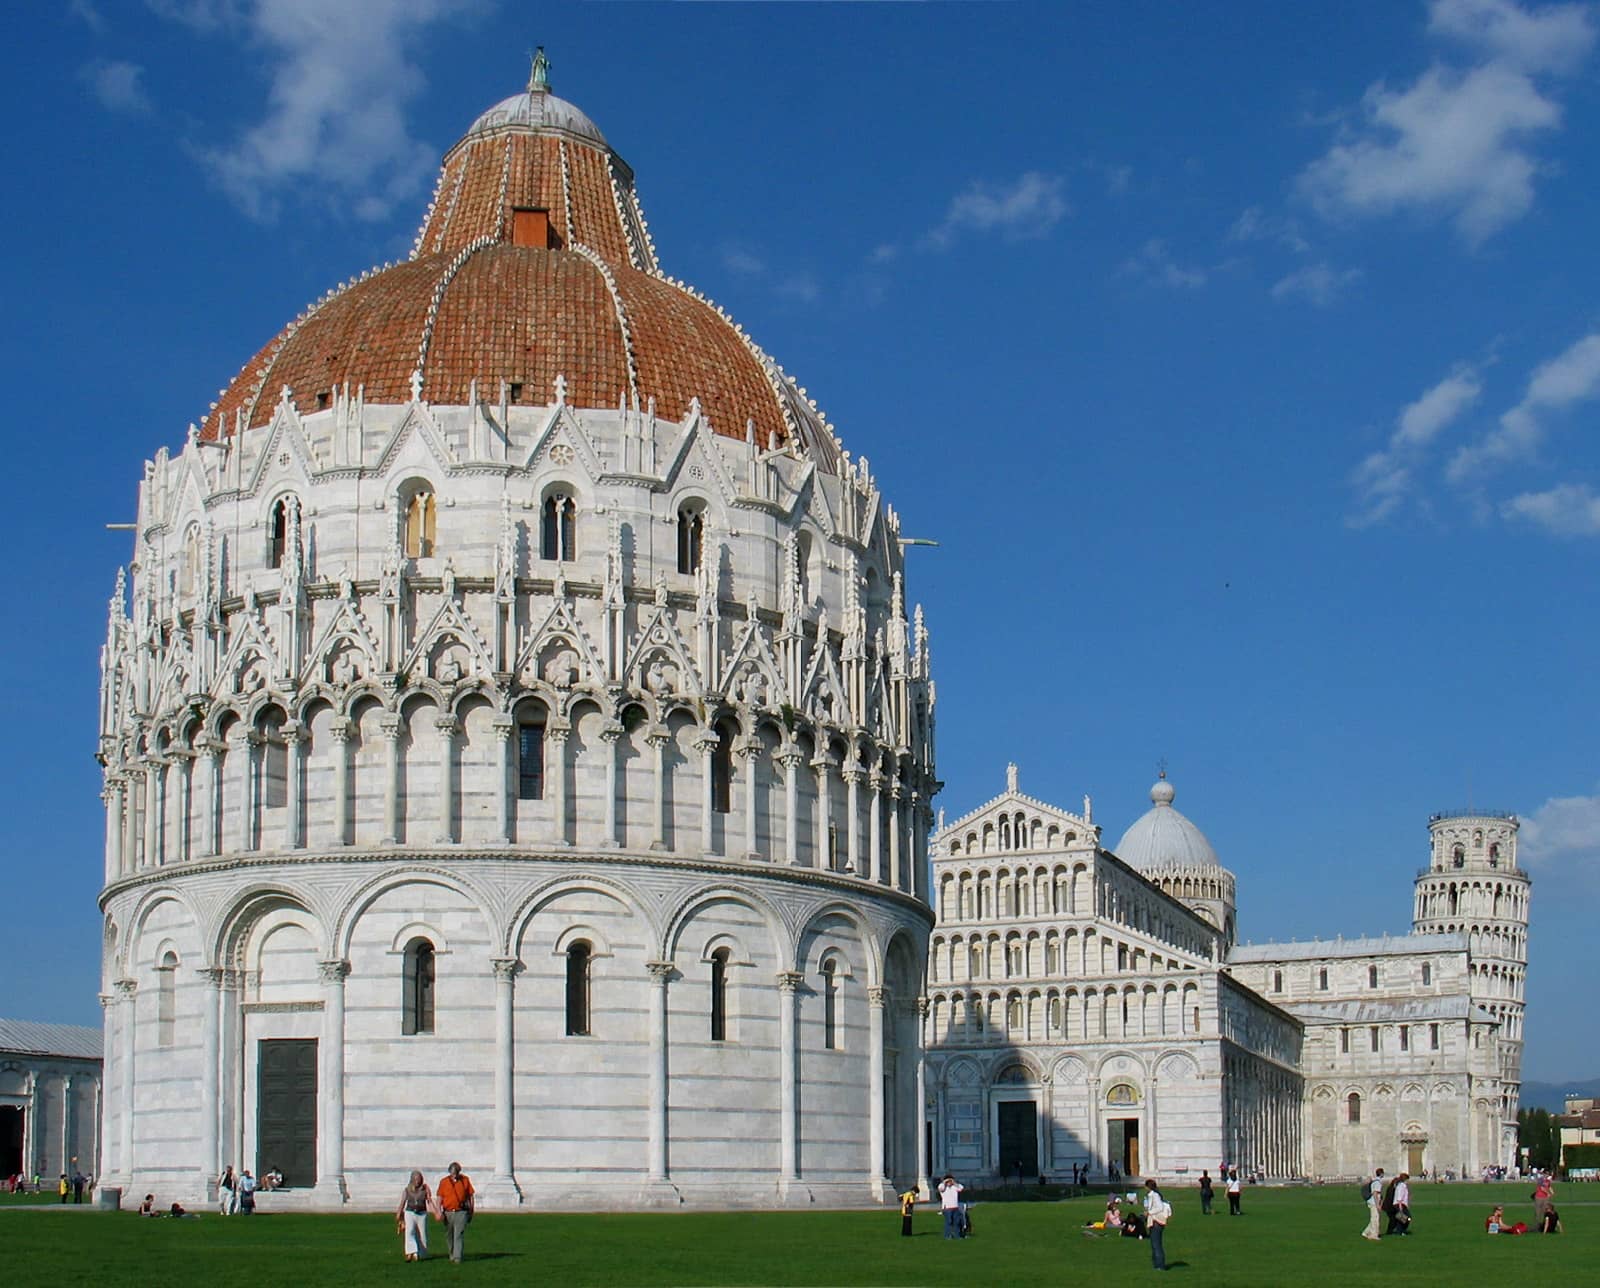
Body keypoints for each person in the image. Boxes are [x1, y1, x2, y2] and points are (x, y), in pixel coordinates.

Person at [437, 1161, 475, 1263]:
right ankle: (452, 1253)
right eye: (453, 1173)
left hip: (461, 1212)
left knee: (459, 1234)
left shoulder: (465, 1180)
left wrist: (471, 1210)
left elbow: (470, 1196)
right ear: (449, 1172)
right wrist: (438, 1211)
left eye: (456, 1173)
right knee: (449, 1235)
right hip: (448, 1212)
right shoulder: (444, 1182)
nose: (455, 1175)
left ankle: (457, 1257)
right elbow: (440, 1197)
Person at [397, 1170, 434, 1261]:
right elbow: (403, 1202)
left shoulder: (424, 1189)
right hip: (410, 1212)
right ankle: (411, 1252)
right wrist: (399, 1213)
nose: (417, 1181)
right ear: (412, 1179)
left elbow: (429, 1200)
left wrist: (435, 1211)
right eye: (416, 1179)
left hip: (422, 1213)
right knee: (410, 1231)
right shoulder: (407, 1190)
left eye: (419, 1179)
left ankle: (422, 1253)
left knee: (422, 1234)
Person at [1144, 1178, 1172, 1271]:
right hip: (1154, 1221)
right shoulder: (1153, 1195)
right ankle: (1157, 1264)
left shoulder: (1154, 1195)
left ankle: (1160, 1265)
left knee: (1156, 1244)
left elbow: (1159, 1207)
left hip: (1156, 1221)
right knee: (1155, 1244)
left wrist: (1150, 1212)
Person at [937, 1174, 964, 1239]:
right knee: (948, 1222)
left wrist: (954, 1182)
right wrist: (944, 1182)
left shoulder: (954, 1187)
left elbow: (961, 1188)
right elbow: (941, 1188)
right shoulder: (942, 1186)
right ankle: (947, 1235)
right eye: (948, 1181)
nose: (949, 1182)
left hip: (955, 1207)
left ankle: (957, 1235)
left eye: (950, 1181)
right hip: (947, 1208)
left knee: (956, 1222)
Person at [1362, 1167, 1385, 1240]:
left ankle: (1366, 1232)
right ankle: (1374, 1235)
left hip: (1372, 1202)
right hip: (1374, 1202)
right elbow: (1375, 1194)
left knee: (1374, 1218)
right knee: (1375, 1218)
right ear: (1381, 1174)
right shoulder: (1377, 1182)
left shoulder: (1375, 1181)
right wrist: (1378, 1204)